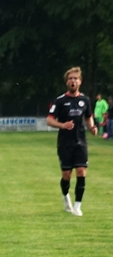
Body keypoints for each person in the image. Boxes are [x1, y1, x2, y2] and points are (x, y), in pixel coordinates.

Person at [46, 67, 97, 216]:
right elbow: (49, 120)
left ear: (80, 81)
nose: (72, 81)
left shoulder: (85, 100)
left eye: (75, 78)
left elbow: (88, 117)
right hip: (65, 143)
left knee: (81, 171)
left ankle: (77, 206)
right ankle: (65, 196)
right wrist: (63, 125)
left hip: (80, 142)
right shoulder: (60, 101)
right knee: (66, 175)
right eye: (70, 79)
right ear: (66, 82)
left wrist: (92, 127)